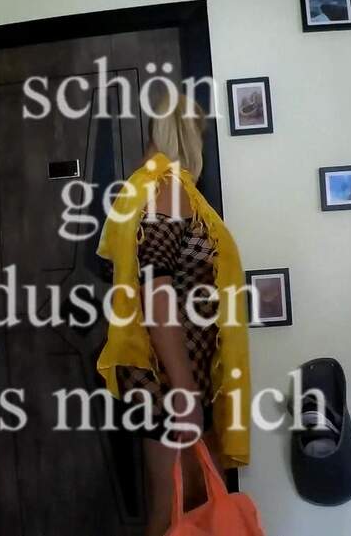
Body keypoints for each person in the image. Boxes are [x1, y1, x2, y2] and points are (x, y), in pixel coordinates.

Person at [96, 93, 251, 536]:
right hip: (170, 381)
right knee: (174, 515)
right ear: (188, 135)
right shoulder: (168, 189)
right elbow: (156, 292)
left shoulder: (140, 190)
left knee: (184, 511)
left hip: (162, 375)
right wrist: (185, 391)